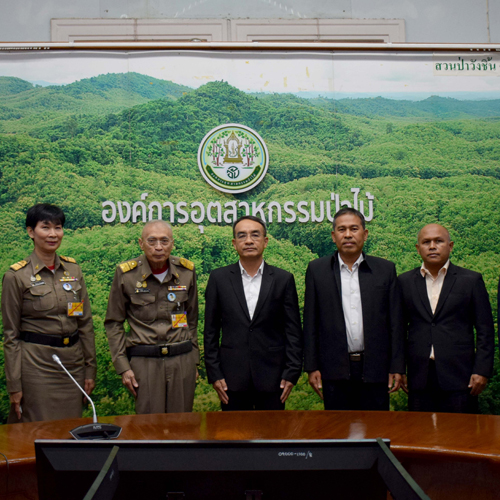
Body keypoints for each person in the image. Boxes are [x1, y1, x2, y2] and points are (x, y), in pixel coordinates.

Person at [2, 203, 96, 423]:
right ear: (31, 232)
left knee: (71, 430)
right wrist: (14, 384)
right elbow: (11, 336)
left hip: (72, 364)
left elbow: (85, 324)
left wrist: (90, 369)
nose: (53, 234)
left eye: (58, 227)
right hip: (37, 366)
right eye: (46, 227)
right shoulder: (16, 276)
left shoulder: (73, 270)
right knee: (40, 431)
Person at [303, 207, 404, 411]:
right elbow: (311, 322)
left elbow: (396, 323)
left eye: (354, 228)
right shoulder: (317, 270)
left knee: (376, 431)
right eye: (341, 229)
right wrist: (311, 366)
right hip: (334, 368)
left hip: (376, 368)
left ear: (365, 234)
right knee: (338, 434)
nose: (348, 234)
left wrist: (397, 366)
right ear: (333, 236)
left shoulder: (385, 270)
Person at [204, 215, 302, 411]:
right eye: (242, 236)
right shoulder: (219, 278)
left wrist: (292, 372)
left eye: (255, 235)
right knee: (233, 438)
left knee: (272, 435)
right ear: (234, 243)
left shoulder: (283, 279)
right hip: (231, 380)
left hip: (274, 379)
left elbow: (293, 331)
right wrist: (214, 374)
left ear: (265, 241)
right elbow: (211, 332)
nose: (248, 240)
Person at [399, 224, 495, 413]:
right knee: (420, 436)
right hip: (419, 376)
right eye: (426, 242)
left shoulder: (471, 280)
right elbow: (398, 330)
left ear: (450, 246)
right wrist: (399, 368)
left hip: (461, 377)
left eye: (439, 241)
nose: (432, 246)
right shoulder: (404, 282)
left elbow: (485, 330)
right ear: (418, 248)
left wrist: (481, 370)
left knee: (460, 436)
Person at [105, 220, 198, 414]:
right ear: (141, 243)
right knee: (148, 427)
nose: (158, 247)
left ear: (172, 243)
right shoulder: (126, 275)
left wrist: (194, 361)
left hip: (181, 359)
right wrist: (123, 367)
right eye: (152, 241)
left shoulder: (186, 272)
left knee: (182, 426)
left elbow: (192, 320)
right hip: (144, 360)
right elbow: (114, 323)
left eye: (164, 241)